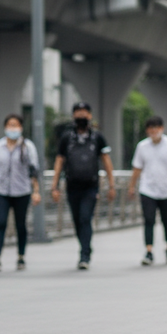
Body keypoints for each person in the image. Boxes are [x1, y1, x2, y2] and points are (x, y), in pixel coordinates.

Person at [50, 102, 115, 269]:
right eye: (78, 113)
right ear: (73, 116)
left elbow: (106, 161)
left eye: (84, 113)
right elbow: (59, 160)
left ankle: (84, 254)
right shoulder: (66, 137)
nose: (81, 116)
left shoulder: (97, 137)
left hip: (91, 186)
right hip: (72, 185)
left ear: (90, 115)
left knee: (86, 217)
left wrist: (111, 185)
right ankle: (85, 245)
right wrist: (54, 185)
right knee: (77, 220)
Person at [0, 114, 41, 271]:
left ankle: (21, 256)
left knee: (20, 225)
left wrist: (36, 191)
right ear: (5, 127)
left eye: (16, 125)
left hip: (21, 191)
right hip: (1, 191)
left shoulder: (28, 147)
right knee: (0, 223)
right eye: (10, 125)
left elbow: (33, 171)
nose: (13, 128)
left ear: (21, 128)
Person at [130, 115, 167, 264]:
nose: (154, 131)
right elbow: (137, 168)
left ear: (162, 128)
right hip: (147, 189)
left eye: (156, 128)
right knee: (148, 220)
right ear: (147, 130)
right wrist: (131, 186)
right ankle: (149, 251)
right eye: (150, 128)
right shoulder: (142, 146)